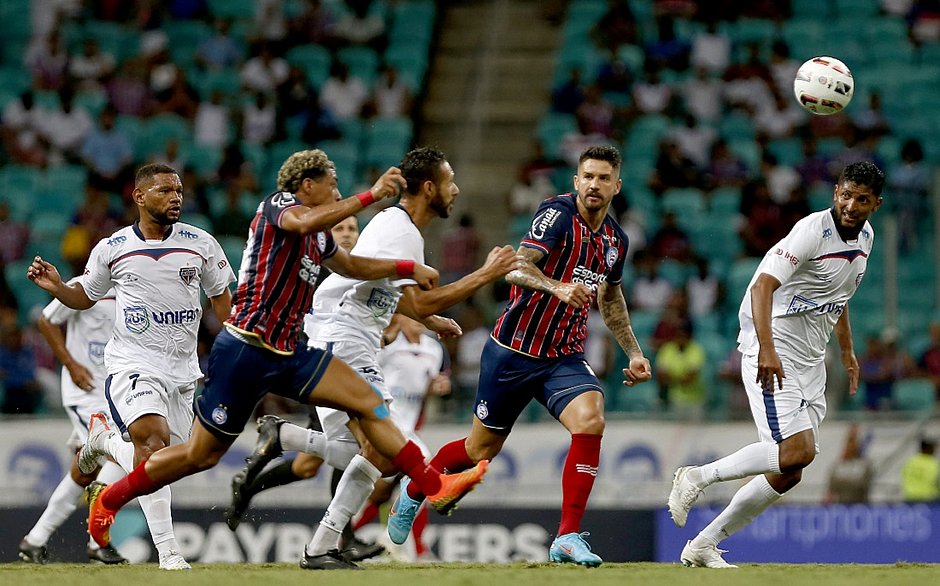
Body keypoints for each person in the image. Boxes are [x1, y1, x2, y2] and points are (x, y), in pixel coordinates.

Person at [48, 150, 486, 570]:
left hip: (290, 352)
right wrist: (371, 195)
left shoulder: (320, 236)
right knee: (199, 455)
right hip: (245, 349)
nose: (338, 194)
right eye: (332, 186)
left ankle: (434, 486)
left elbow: (353, 268)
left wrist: (406, 269)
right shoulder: (278, 207)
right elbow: (304, 220)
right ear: (307, 185)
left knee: (369, 402)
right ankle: (111, 499)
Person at [244, 146, 519, 569]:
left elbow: (390, 294)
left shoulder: (398, 227)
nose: (457, 190)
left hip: (344, 335)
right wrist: (486, 273)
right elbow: (415, 300)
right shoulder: (401, 229)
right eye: (449, 182)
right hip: (346, 337)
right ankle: (428, 487)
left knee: (374, 455)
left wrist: (430, 319)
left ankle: (294, 460)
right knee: (384, 452)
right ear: (429, 188)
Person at [386, 145, 653, 567]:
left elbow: (611, 296)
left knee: (591, 419)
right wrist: (557, 287)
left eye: (603, 178)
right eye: (587, 176)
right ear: (576, 180)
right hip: (513, 350)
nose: (594, 185)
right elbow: (514, 267)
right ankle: (414, 490)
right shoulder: (557, 214)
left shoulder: (615, 240)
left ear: (616, 186)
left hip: (562, 356)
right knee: (478, 450)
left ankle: (567, 537)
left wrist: (634, 352)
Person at [667, 161, 885, 568]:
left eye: (862, 199)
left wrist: (847, 351)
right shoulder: (812, 231)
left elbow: (838, 298)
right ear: (835, 192)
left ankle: (703, 544)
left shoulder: (867, 237)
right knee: (796, 451)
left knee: (790, 470)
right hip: (773, 348)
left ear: (876, 204)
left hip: (811, 359)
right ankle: (696, 476)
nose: (850, 205)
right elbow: (763, 286)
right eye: (845, 195)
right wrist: (766, 350)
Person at [26, 163, 237, 570]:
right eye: (164, 191)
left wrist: (234, 348)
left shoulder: (202, 243)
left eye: (178, 190)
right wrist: (59, 288)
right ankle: (169, 553)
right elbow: (85, 297)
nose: (175, 198)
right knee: (152, 444)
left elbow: (221, 301)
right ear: (139, 197)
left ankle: (104, 442)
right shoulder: (113, 247)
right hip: (132, 362)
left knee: (169, 461)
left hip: (183, 370)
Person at [223, 215, 384, 563]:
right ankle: (342, 538)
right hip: (323, 366)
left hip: (344, 365)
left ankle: (251, 483)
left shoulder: (359, 271)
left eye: (352, 228)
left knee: (310, 465)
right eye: (340, 228)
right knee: (360, 445)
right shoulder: (318, 271)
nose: (347, 234)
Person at [18, 277, 127, 565]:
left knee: (85, 472)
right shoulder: (83, 286)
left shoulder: (134, 286)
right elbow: (46, 320)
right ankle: (97, 542)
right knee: (119, 454)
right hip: (86, 393)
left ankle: (34, 540)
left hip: (115, 393)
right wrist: (71, 364)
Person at [824, 423, 874, 504]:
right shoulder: (838, 465)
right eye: (850, 440)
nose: (851, 445)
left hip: (860, 505)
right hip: (841, 506)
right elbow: (832, 486)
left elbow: (862, 485)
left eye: (855, 440)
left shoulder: (865, 465)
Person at [901, 438, 940, 503]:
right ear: (928, 449)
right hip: (929, 499)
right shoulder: (934, 464)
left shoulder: (909, 462)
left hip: (910, 497)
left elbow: (904, 477)